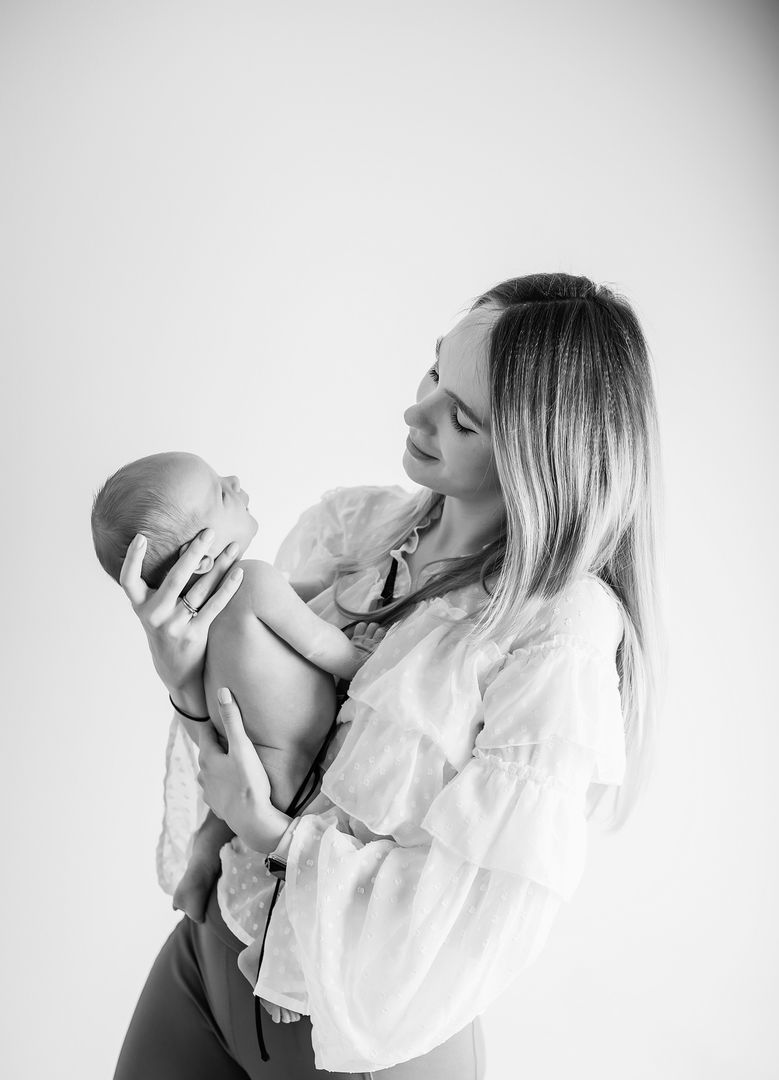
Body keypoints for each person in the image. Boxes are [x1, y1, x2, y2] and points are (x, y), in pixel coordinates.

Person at [112, 272, 665, 1078]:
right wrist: (182, 673)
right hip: (209, 957)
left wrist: (272, 834)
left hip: (361, 1042)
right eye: (435, 372)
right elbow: (250, 741)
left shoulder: (556, 629)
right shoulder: (351, 529)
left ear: (539, 455)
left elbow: (462, 913)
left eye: (462, 417)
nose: (417, 412)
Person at [91, 451, 386, 931]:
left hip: (252, 764)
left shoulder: (198, 625)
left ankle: (207, 875)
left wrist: (334, 579)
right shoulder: (254, 581)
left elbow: (294, 600)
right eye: (222, 492)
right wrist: (365, 663)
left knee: (271, 863)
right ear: (202, 554)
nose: (234, 478)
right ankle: (272, 961)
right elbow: (319, 642)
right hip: (295, 767)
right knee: (309, 878)